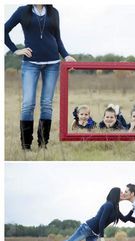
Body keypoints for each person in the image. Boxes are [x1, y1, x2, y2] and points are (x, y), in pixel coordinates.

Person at [5, 4, 76, 150]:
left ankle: (43, 145)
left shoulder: (54, 12)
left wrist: (66, 56)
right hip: (30, 64)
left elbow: (57, 38)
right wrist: (15, 50)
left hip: (53, 63)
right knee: (28, 104)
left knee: (46, 104)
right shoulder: (22, 11)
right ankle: (26, 146)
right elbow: (3, 30)